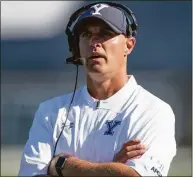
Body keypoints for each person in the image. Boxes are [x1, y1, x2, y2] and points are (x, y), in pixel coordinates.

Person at [18, 2, 176, 176]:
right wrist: (112, 168)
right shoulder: (50, 111)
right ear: (76, 46)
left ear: (129, 45)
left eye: (106, 33)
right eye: (86, 34)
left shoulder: (153, 111)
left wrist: (63, 165)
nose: (94, 42)